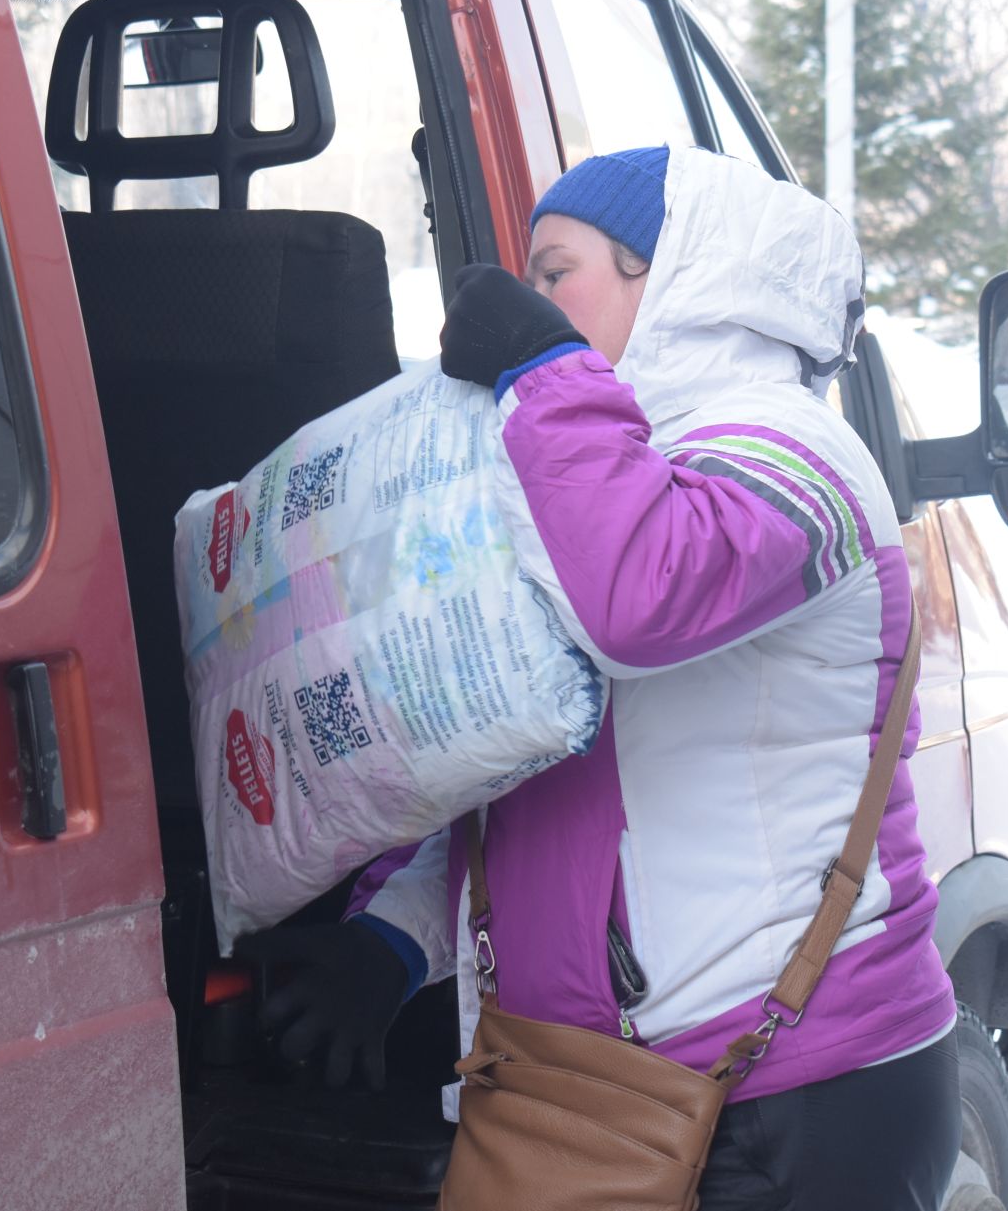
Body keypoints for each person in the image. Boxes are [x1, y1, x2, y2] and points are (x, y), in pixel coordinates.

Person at [237, 145, 961, 1210]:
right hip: (598, 1099)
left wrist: (546, 369)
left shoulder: (801, 454)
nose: (531, 301)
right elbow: (532, 776)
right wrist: (393, 943)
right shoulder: (575, 466)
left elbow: (644, 595)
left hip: (799, 1101)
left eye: (554, 271)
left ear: (665, 274)